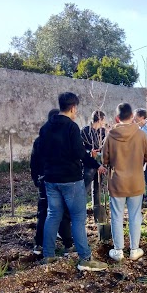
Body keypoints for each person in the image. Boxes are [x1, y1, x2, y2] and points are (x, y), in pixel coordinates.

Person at [38, 92, 108, 271]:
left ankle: (48, 255)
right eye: (76, 109)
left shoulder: (45, 128)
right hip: (70, 179)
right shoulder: (71, 127)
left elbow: (41, 153)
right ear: (73, 108)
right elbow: (79, 153)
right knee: (78, 218)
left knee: (53, 215)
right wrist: (96, 164)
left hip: (51, 179)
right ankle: (85, 258)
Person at [102, 103, 147, 262]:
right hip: (136, 181)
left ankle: (118, 251)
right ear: (132, 117)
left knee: (116, 216)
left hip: (116, 182)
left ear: (117, 117)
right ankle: (134, 249)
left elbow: (105, 159)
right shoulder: (142, 134)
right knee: (135, 215)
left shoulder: (110, 136)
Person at [30, 109, 73, 255]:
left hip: (45, 180)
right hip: (62, 180)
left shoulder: (40, 140)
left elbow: (33, 163)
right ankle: (68, 245)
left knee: (44, 212)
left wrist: (36, 179)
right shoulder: (65, 139)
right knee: (63, 213)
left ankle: (40, 245)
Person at [81, 110, 107, 226]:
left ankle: (97, 212)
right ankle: (80, 212)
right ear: (99, 119)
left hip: (99, 165)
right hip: (89, 165)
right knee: (84, 189)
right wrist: (90, 152)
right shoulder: (85, 132)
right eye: (103, 120)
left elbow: (104, 147)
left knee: (97, 189)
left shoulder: (102, 132)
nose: (104, 122)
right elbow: (82, 150)